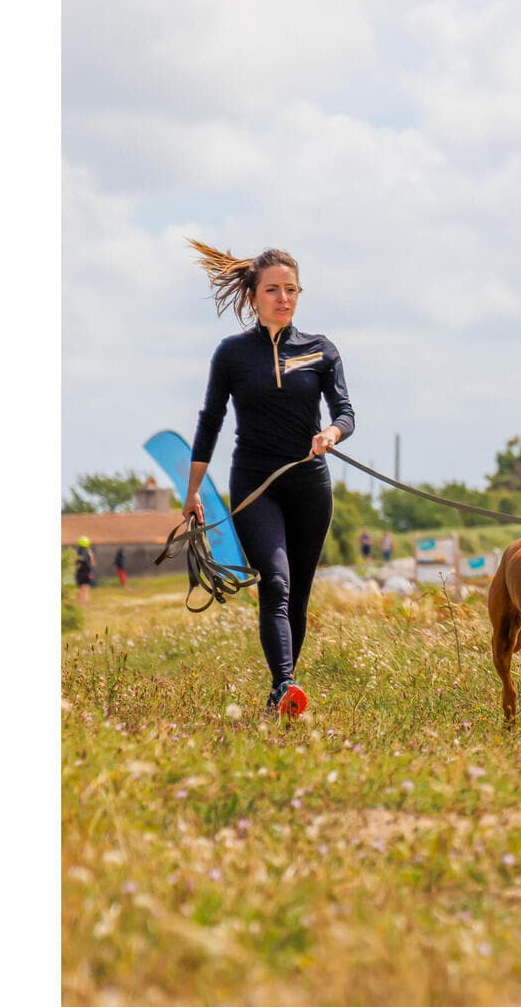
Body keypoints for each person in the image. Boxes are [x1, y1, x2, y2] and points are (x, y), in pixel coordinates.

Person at [181, 240, 355, 721]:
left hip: (310, 484)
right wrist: (194, 491)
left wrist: (331, 431)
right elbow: (211, 420)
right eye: (274, 289)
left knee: (297, 593)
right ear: (254, 296)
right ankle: (285, 685)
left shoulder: (320, 350)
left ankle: (283, 695)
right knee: (275, 582)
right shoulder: (233, 354)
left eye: (292, 289)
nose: (284, 298)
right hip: (256, 484)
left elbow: (345, 410)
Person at [75, 536, 95, 605]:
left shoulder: (76, 553)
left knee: (79, 590)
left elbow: (74, 564)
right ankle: (83, 605)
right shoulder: (89, 552)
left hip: (78, 574)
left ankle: (78, 604)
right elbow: (92, 564)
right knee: (85, 590)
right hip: (87, 573)